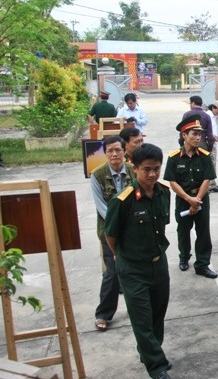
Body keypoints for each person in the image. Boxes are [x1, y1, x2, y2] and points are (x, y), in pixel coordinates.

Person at [104, 143, 172, 379]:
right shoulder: (122, 201)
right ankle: (156, 366)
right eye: (146, 169)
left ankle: (150, 352)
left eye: (156, 169)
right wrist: (121, 258)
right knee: (142, 320)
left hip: (159, 264)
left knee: (157, 315)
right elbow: (111, 236)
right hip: (133, 268)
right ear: (134, 168)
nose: (152, 174)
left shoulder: (164, 192)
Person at [163, 115, 218, 279]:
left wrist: (197, 201)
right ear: (184, 135)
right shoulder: (173, 158)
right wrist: (189, 200)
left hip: (201, 199)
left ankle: (202, 264)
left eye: (200, 134)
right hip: (183, 200)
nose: (198, 137)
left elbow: (207, 179)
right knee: (183, 230)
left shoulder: (204, 155)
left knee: (203, 232)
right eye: (194, 134)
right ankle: (184, 257)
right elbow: (172, 182)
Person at [90, 136, 135, 332]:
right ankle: (104, 314)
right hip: (109, 233)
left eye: (118, 150)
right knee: (112, 272)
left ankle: (138, 311)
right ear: (105, 153)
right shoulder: (97, 175)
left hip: (133, 230)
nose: (114, 154)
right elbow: (101, 206)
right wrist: (118, 225)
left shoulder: (134, 171)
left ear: (124, 150)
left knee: (135, 272)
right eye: (110, 151)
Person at [206, 101, 218, 193]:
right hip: (210, 143)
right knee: (210, 164)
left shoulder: (213, 116)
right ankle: (208, 185)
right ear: (213, 107)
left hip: (213, 142)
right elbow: (208, 131)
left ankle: (212, 184)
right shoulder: (208, 116)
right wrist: (214, 136)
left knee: (213, 164)